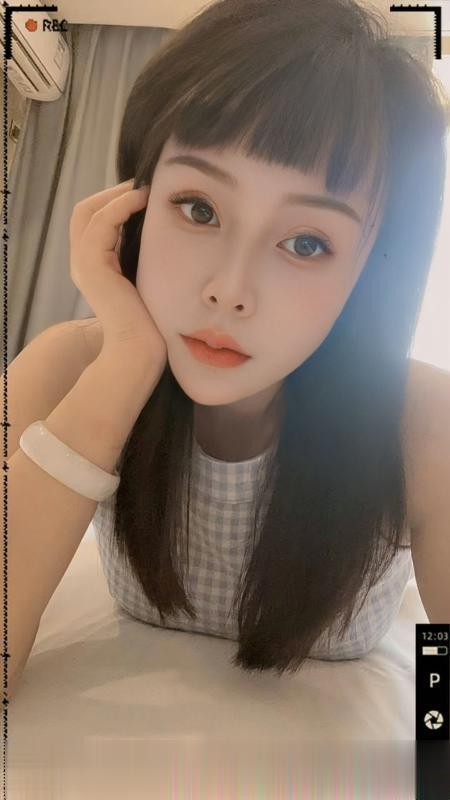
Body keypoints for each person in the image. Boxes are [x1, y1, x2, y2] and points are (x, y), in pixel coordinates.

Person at [8, 0, 449, 692]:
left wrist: (430, 738)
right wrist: (125, 363)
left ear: (371, 271)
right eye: (200, 208)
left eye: (307, 243)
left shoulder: (421, 417)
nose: (229, 291)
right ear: (133, 205)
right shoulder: (70, 368)